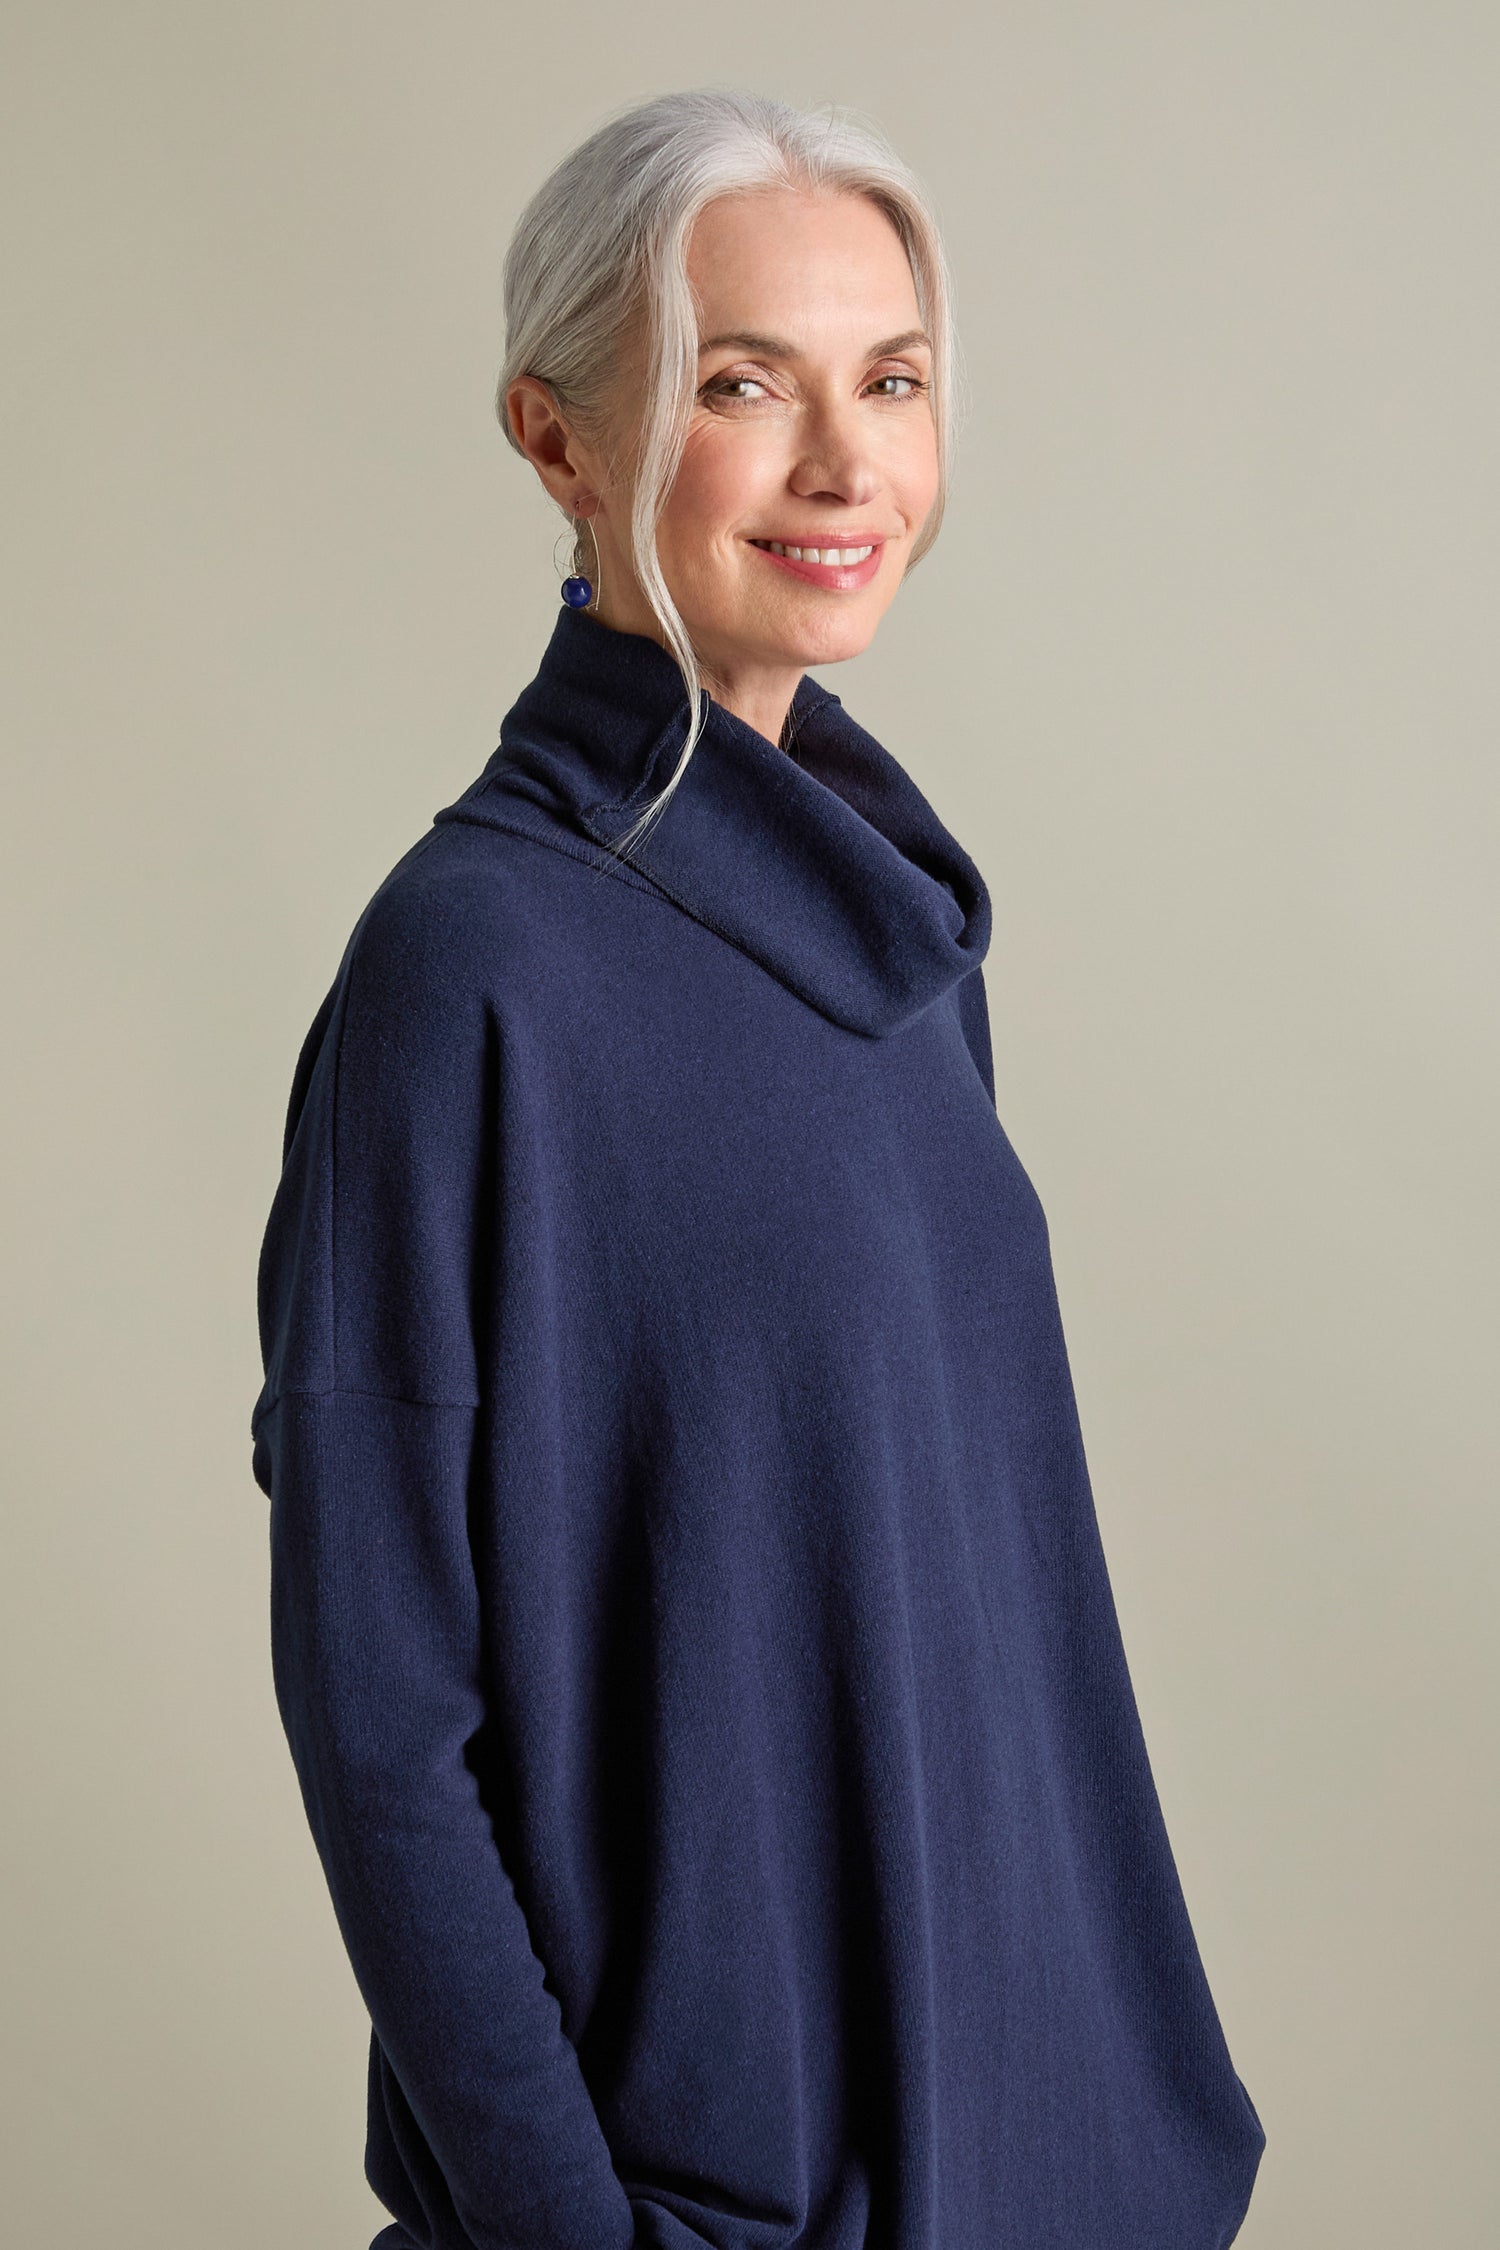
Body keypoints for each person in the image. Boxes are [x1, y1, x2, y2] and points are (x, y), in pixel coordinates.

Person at [250, 87, 1267, 2250]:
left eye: (892, 383)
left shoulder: (902, 936)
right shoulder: (471, 972)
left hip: (1024, 2169)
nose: (847, 468)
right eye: (743, 386)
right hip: (711, 2208)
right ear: (557, 439)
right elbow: (379, 1716)